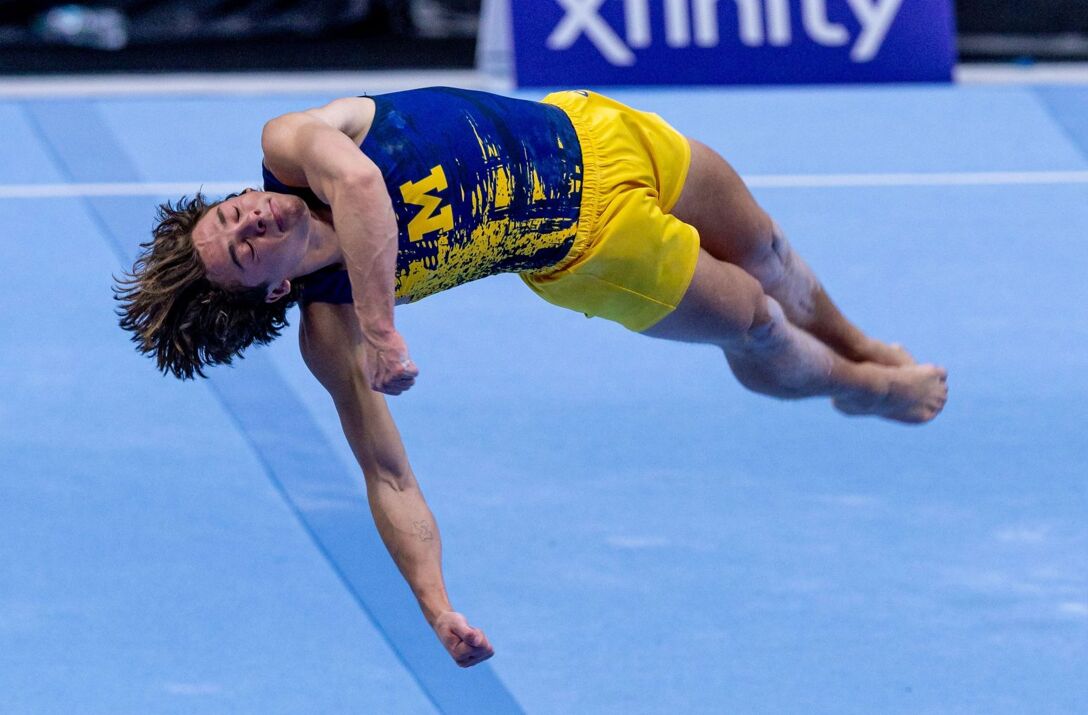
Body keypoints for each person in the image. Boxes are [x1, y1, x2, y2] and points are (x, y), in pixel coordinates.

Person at [114, 87, 947, 668]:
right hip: (594, 251)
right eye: (247, 247)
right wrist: (436, 603)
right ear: (274, 290)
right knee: (760, 321)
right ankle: (862, 388)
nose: (254, 217)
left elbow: (364, 183)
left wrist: (384, 327)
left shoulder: (291, 147)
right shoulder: (330, 333)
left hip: (592, 133)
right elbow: (387, 472)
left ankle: (860, 341)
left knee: (767, 245)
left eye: (232, 212)